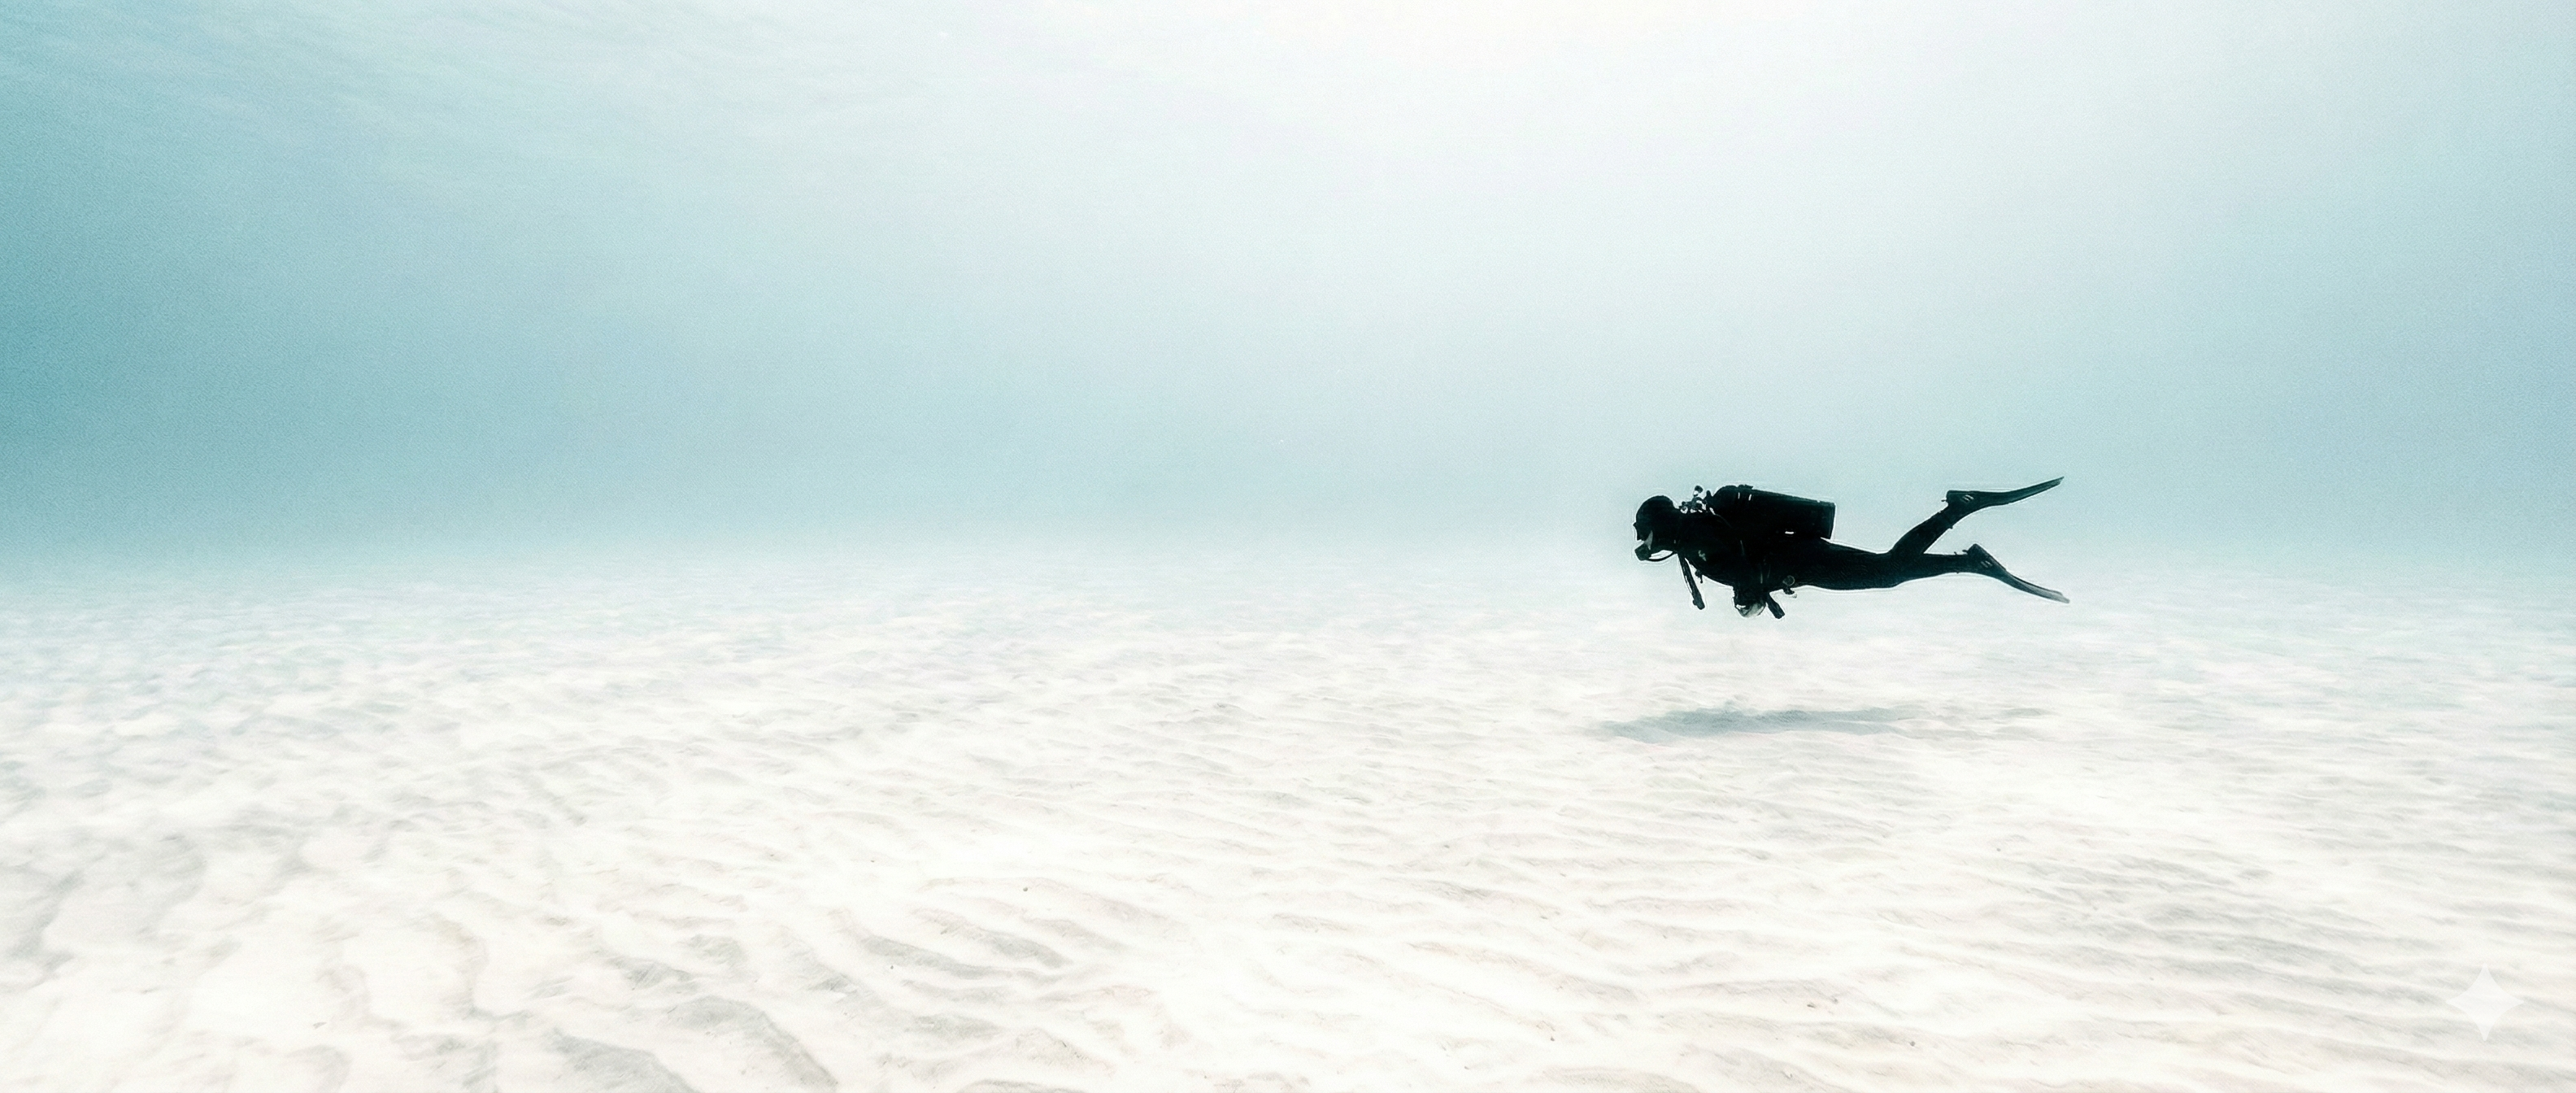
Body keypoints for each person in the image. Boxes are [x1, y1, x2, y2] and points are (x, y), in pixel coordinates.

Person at [1633, 478, 2067, 617]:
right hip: (1800, 563)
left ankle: (1959, 515)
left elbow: (1742, 567)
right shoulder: (1694, 535)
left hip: (1802, 561)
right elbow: (1739, 558)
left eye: (1643, 535)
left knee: (1887, 570)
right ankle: (1970, 558)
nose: (1643, 545)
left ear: (1658, 528)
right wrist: (1747, 590)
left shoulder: (1694, 538)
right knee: (1887, 572)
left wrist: (1748, 597)